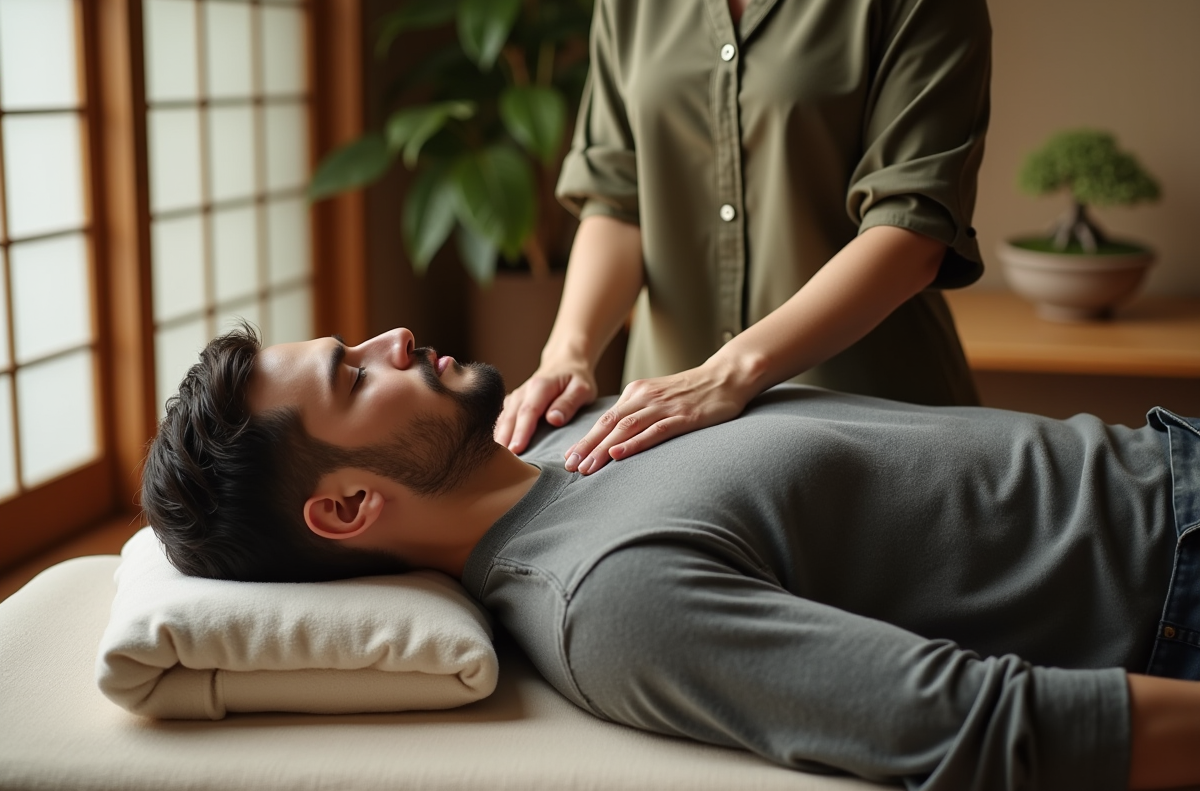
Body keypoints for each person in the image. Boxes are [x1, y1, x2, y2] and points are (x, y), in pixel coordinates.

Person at [142, 325, 1200, 791]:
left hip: (1162, 451)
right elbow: (978, 725)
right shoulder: (609, 597)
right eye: (354, 374)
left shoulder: (551, 433)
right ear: (352, 503)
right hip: (1175, 578)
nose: (393, 336)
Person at [495, 0, 993, 476]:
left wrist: (727, 374)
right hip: (661, 448)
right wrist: (567, 354)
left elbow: (912, 225)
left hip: (868, 432)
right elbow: (618, 199)